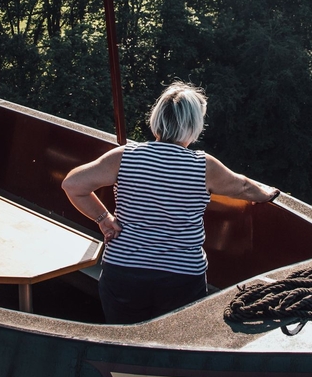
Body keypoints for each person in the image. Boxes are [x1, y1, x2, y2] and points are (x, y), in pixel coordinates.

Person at [62, 81, 280, 324]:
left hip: (124, 273)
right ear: (194, 125)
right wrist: (269, 193)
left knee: (123, 340)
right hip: (181, 278)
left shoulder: (125, 156)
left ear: (157, 119)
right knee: (172, 339)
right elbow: (243, 187)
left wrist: (104, 220)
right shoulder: (203, 165)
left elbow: (73, 185)